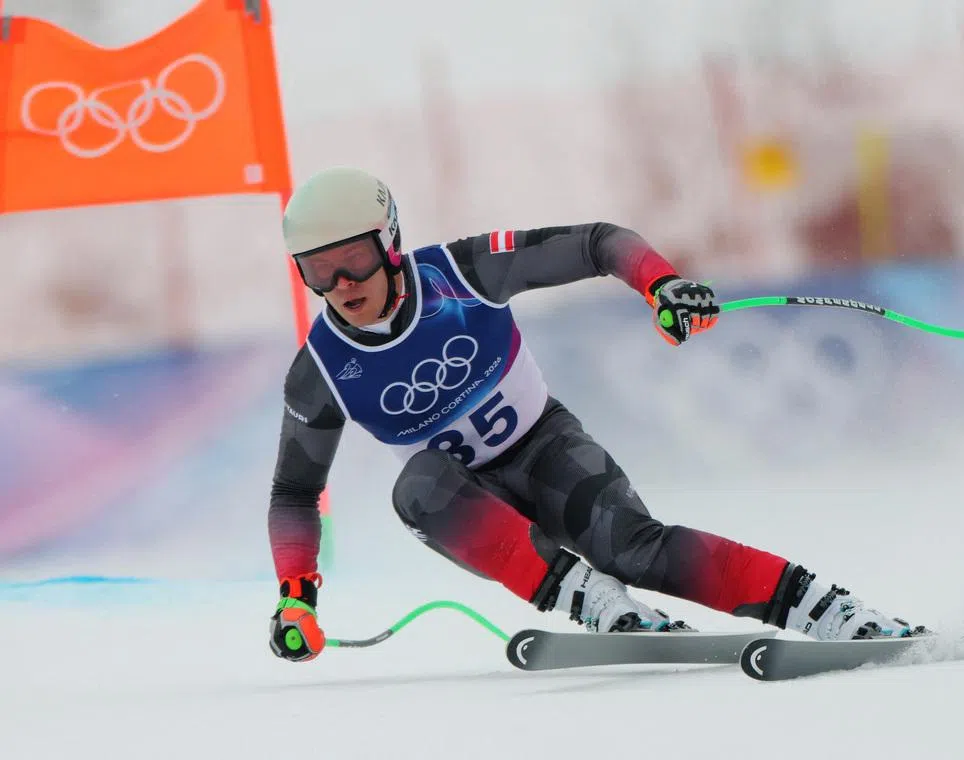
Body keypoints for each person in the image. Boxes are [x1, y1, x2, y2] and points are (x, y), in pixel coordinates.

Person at [268, 166, 923, 663]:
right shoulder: (320, 370)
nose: (341, 286)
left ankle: (830, 611)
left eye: (353, 261)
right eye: (318, 272)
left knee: (634, 549)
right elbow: (294, 492)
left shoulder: (463, 273)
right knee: (417, 486)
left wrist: (660, 284)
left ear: (389, 243)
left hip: (545, 450)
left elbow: (598, 242)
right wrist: (296, 599)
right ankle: (595, 601)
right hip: (468, 509)